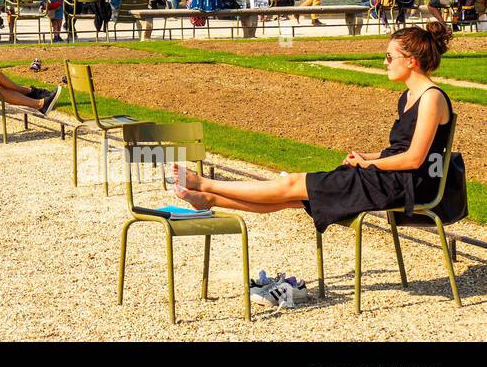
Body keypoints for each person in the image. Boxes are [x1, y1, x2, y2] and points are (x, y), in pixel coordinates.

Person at [172, 24, 457, 232]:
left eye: (389, 57)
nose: (385, 63)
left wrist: (370, 165)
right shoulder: (408, 96)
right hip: (392, 177)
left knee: (292, 184)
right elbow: (403, 151)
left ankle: (205, 184)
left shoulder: (431, 97)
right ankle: (209, 198)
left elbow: (414, 158)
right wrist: (367, 158)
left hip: (409, 184)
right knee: (295, 196)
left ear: (411, 61)